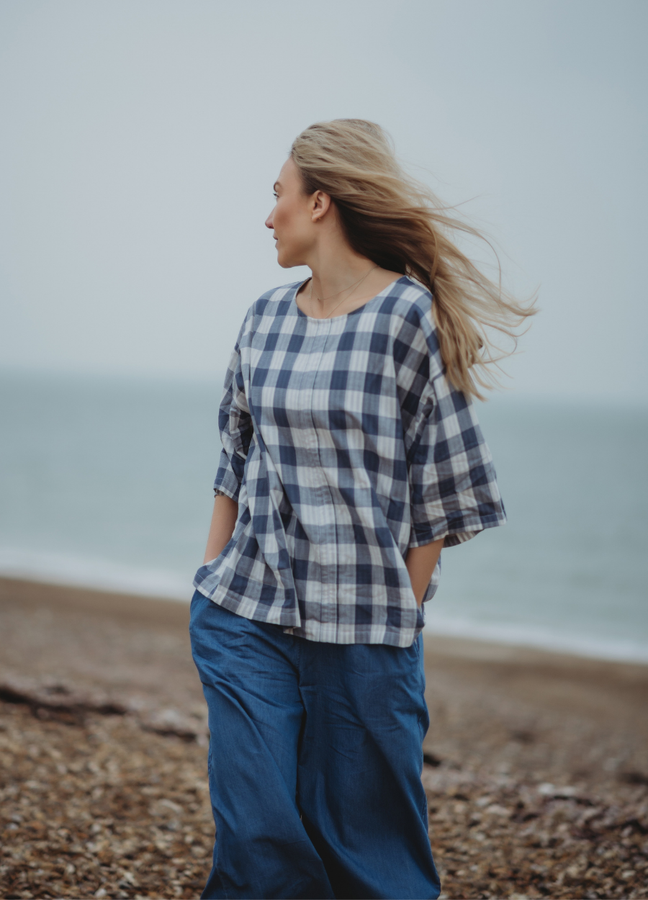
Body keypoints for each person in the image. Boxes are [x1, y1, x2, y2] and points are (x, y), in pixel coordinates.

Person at [189, 119, 535, 900]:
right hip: (245, 612)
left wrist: (400, 616)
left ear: (321, 202)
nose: (267, 214)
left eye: (277, 195)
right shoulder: (264, 318)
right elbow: (232, 460)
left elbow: (447, 485)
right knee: (256, 831)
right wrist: (209, 578)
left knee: (371, 853)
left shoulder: (407, 316)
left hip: (367, 630)